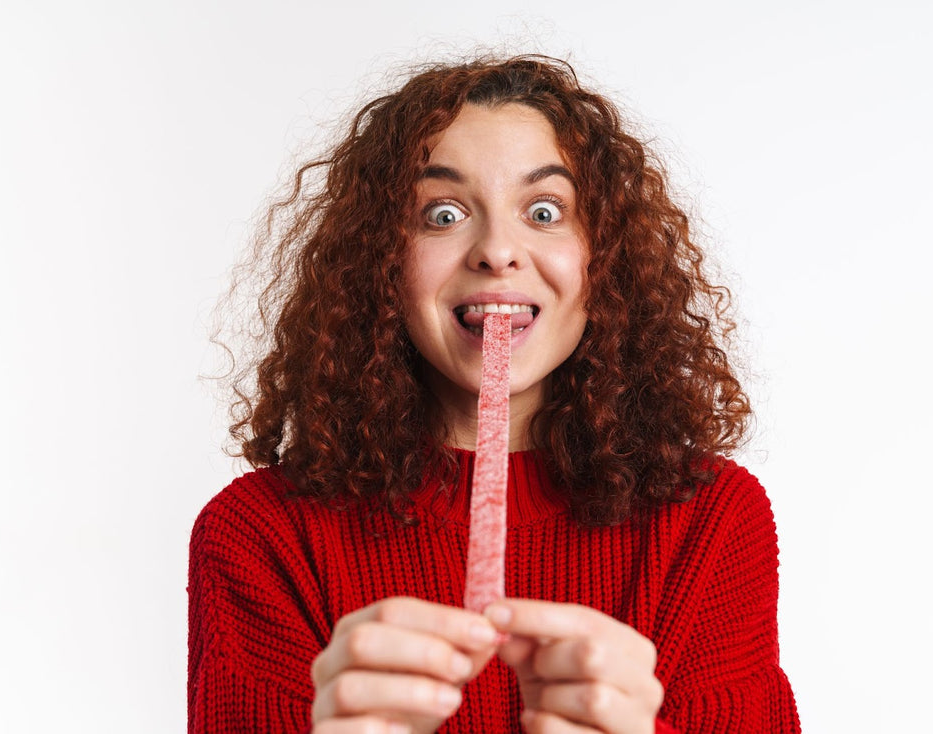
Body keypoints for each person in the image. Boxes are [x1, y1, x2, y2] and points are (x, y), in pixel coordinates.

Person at [189, 55, 800, 734]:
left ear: (604, 259)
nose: (497, 251)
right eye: (442, 214)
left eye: (545, 211)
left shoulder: (708, 519)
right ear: (380, 264)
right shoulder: (261, 534)